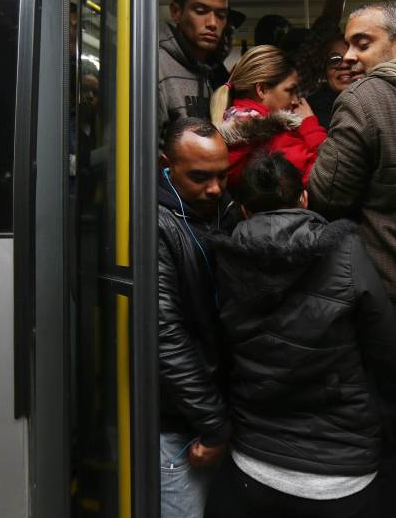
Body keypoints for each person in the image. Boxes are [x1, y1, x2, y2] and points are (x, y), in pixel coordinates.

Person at [204, 151, 396, 518]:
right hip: (341, 474)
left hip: (253, 464)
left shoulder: (226, 258)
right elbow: (389, 353)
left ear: (246, 211)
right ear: (303, 197)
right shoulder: (345, 252)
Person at [306, 0, 396, 517]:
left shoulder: (364, 99)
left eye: (361, 43)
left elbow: (327, 194)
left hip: (392, 306)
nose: (348, 56)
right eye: (347, 44)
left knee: (387, 439)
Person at [158, 117, 237, 518]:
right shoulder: (156, 225)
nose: (215, 188)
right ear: (165, 165)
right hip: (179, 423)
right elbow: (165, 335)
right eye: (200, 177)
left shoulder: (221, 209)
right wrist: (212, 422)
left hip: (215, 406)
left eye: (223, 176)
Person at [209, 45, 325, 190]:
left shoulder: (231, 121)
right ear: (262, 89)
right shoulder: (274, 135)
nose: (295, 101)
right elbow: (324, 179)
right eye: (290, 90)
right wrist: (310, 125)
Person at [158, 0, 229, 145]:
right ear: (176, 12)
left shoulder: (216, 72)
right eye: (200, 11)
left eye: (220, 15)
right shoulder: (155, 67)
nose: (213, 23)